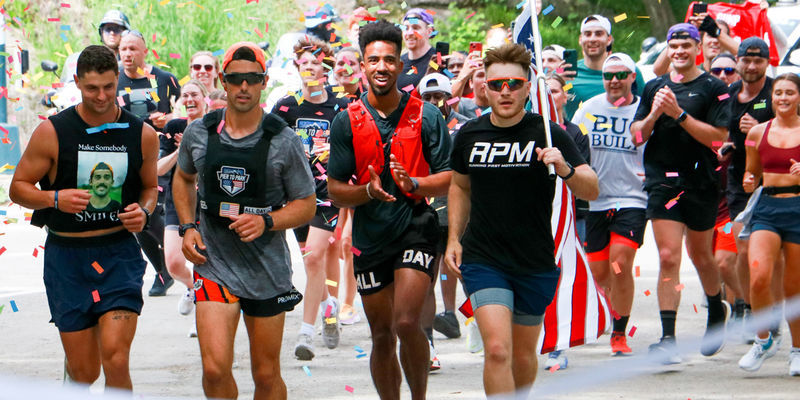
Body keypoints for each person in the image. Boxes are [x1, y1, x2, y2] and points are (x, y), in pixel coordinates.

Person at [446, 42, 598, 399]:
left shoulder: (549, 133)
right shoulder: (470, 134)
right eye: (496, 84)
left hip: (534, 260)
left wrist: (565, 168)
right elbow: (459, 187)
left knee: (524, 354)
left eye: (514, 83)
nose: (505, 91)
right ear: (484, 87)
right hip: (484, 259)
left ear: (529, 87)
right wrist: (454, 238)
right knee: (498, 349)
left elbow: (590, 188)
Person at [9, 44, 158, 390]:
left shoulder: (142, 135)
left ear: (118, 79)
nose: (102, 96)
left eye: (109, 86)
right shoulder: (53, 131)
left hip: (118, 255)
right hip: (67, 258)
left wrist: (144, 211)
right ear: (77, 82)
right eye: (92, 88)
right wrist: (54, 198)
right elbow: (17, 188)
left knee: (116, 357)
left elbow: (150, 188)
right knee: (85, 373)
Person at [173, 41, 315, 399]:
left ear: (264, 81)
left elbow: (307, 204)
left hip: (266, 270)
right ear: (223, 80)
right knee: (215, 369)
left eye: (252, 79)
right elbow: (183, 177)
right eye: (236, 79)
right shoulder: (199, 132)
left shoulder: (283, 140)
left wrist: (266, 222)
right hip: (213, 264)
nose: (243, 87)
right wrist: (188, 226)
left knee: (265, 375)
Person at [327, 20, 452, 399]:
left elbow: (449, 177)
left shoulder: (427, 116)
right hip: (370, 235)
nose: (381, 67)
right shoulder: (346, 120)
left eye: (389, 60)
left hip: (416, 226)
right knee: (381, 334)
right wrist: (366, 191)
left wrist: (414, 185)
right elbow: (335, 190)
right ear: (363, 66)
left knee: (407, 321)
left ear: (401, 65)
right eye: (373, 60)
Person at [630, 23, 731, 363]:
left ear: (697, 48)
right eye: (674, 47)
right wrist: (657, 112)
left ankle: (716, 307)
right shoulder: (655, 88)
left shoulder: (714, 87)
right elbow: (637, 136)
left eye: (686, 46)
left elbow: (719, 139)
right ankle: (668, 338)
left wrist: (680, 114)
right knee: (669, 256)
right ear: (668, 50)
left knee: (702, 256)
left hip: (701, 183)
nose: (680, 52)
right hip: (663, 182)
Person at [272, 36, 350, 360]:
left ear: (325, 69)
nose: (309, 68)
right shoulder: (286, 107)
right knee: (309, 258)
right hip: (298, 193)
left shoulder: (342, 106)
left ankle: (305, 334)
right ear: (296, 68)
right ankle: (329, 304)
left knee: (316, 257)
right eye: (303, 64)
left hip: (329, 191)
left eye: (315, 64)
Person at [571, 53, 645, 357]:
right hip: (596, 200)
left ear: (632, 78)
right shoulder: (589, 108)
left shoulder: (644, 109)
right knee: (599, 272)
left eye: (621, 75)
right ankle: (606, 314)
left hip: (633, 198)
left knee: (621, 261)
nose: (614, 81)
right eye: (608, 76)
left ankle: (619, 332)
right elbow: (571, 141)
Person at [737, 73, 800, 376]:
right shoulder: (757, 133)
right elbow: (751, 175)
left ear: (798, 97)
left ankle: (797, 350)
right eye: (779, 93)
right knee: (759, 276)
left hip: (798, 207)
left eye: (789, 93)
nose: (783, 98)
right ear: (771, 97)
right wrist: (749, 182)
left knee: (793, 288)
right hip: (767, 207)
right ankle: (763, 341)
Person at [726, 37, 777, 342]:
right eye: (746, 59)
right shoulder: (730, 92)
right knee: (743, 251)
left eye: (758, 60)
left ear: (767, 63)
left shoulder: (777, 92)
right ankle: (747, 308)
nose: (752, 66)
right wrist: (728, 145)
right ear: (739, 61)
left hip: (775, 177)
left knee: (776, 255)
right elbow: (726, 134)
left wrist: (759, 130)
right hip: (740, 178)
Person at [158, 79, 208, 322]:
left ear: (204, 99)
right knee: (174, 263)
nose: (189, 99)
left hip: (208, 203)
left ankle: (206, 314)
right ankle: (192, 288)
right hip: (177, 201)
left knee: (204, 262)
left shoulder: (215, 125)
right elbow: (157, 168)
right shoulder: (174, 127)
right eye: (184, 95)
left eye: (194, 94)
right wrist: (181, 150)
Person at [563, 14, 646, 120]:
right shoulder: (567, 72)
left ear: (609, 39)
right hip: (575, 135)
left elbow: (644, 107)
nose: (592, 39)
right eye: (587, 34)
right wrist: (559, 82)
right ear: (580, 39)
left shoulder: (628, 70)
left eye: (598, 34)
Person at [117, 29, 180, 131]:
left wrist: (168, 118)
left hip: (160, 143)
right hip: (124, 144)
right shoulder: (112, 81)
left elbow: (186, 111)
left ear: (145, 52)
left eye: (133, 49)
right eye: (123, 49)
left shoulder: (166, 79)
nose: (128, 54)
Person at [397, 8, 436, 91]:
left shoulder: (438, 60)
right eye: (406, 28)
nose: (410, 33)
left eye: (415, 28)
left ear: (429, 31)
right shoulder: (398, 62)